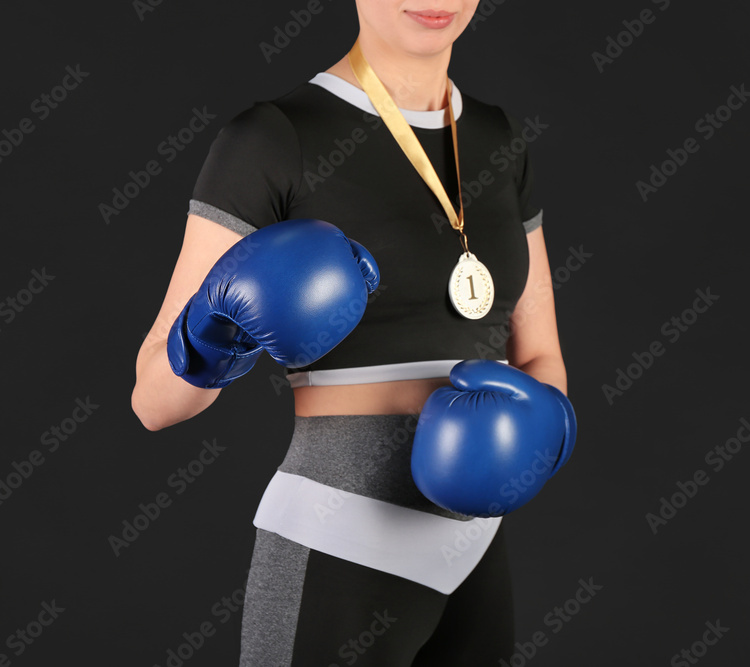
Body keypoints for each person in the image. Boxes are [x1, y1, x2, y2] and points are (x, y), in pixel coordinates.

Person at [131, 1, 573, 664]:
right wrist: (215, 329)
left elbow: (541, 354)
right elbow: (152, 401)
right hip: (336, 547)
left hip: (477, 553)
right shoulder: (274, 136)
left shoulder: (498, 138)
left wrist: (543, 435)